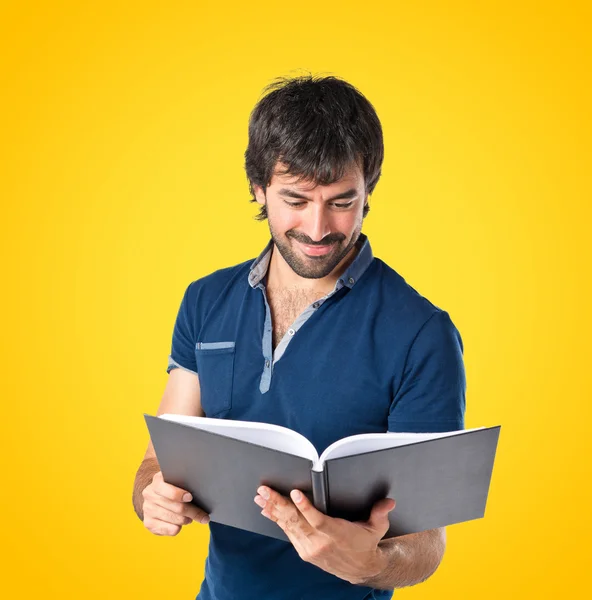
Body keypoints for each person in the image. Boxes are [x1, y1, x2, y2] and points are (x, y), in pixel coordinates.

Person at [132, 74, 466, 600]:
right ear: (258, 188)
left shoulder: (422, 333)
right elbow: (159, 458)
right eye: (295, 199)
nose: (317, 228)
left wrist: (371, 564)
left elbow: (427, 544)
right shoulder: (205, 300)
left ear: (368, 191)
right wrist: (152, 495)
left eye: (341, 201)